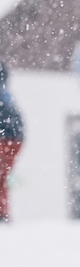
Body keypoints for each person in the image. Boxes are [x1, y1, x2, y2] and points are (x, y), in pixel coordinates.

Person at [0, 60, 23, 223]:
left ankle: (2, 213)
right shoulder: (6, 94)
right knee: (2, 177)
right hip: (15, 137)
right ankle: (3, 211)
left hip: (5, 137)